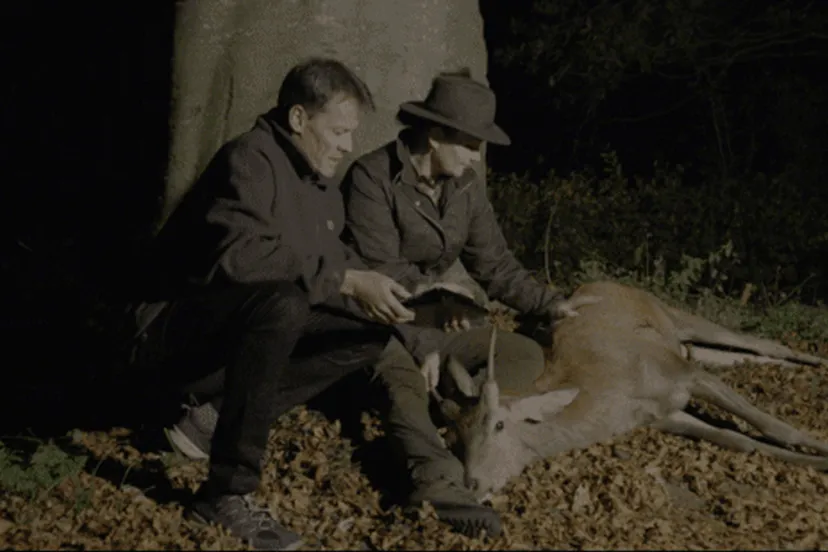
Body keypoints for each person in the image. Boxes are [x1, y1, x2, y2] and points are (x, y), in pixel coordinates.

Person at [126, 58, 417, 551]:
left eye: (352, 133)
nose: (348, 146)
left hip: (230, 334)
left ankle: (213, 415)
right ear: (299, 119)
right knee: (282, 304)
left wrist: (389, 290)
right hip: (163, 337)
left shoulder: (320, 186)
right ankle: (224, 495)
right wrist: (347, 279)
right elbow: (242, 258)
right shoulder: (249, 159)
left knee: (367, 330)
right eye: (339, 131)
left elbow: (331, 263)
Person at [339, 69, 597, 537]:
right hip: (379, 320)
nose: (477, 155)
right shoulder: (371, 179)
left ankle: (463, 415)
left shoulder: (465, 185)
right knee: (401, 381)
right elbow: (385, 277)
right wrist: (426, 344)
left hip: (439, 324)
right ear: (434, 135)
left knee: (522, 354)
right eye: (470, 144)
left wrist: (550, 303)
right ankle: (436, 481)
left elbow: (494, 262)